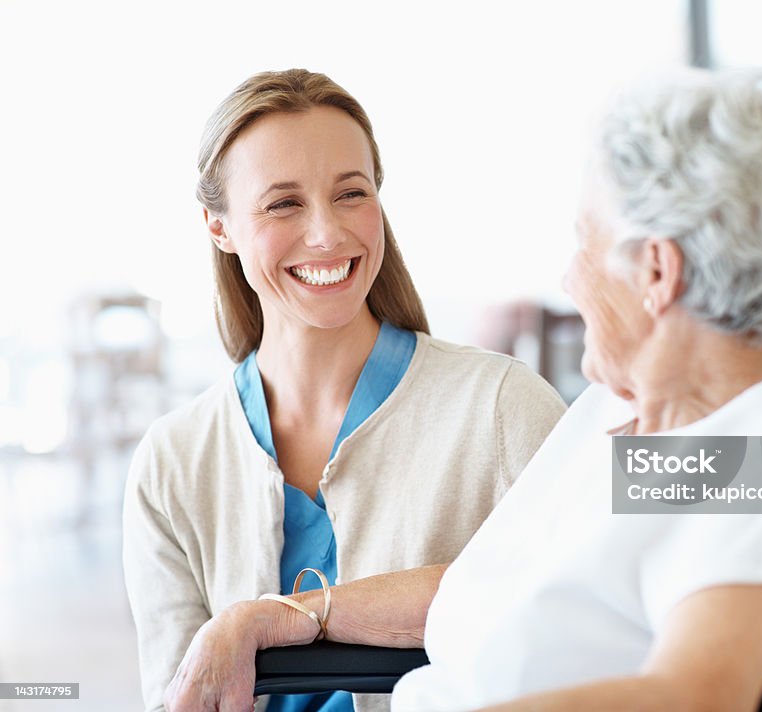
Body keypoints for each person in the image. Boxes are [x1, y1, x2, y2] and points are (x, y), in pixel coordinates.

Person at [161, 68, 762, 712]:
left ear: (656, 272)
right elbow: (484, 586)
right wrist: (276, 615)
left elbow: (701, 692)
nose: (571, 279)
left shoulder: (755, 449)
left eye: (586, 242)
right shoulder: (631, 415)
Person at [122, 69, 566, 712]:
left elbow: (580, 600)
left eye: (351, 193)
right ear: (218, 227)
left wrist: (286, 616)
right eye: (283, 203)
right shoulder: (172, 463)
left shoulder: (501, 408)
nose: (327, 233)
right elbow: (178, 697)